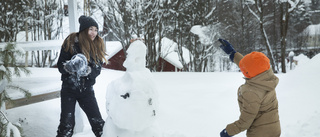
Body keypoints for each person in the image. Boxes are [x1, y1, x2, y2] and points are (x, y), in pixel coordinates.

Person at [56, 15, 107, 137]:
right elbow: (60, 65)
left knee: (98, 123)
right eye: (91, 29)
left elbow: (98, 68)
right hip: (69, 90)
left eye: (95, 29)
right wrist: (69, 67)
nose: (94, 33)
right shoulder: (71, 43)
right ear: (84, 30)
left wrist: (89, 70)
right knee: (66, 125)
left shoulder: (97, 45)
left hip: (86, 91)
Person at [218, 39, 281, 137]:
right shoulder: (266, 77)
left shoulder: (252, 93)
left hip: (259, 134)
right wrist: (233, 53)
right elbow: (251, 66)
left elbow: (245, 121)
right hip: (273, 129)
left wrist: (228, 131)